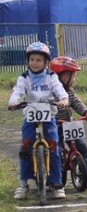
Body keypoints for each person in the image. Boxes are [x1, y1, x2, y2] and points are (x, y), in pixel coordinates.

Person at [9, 42, 69, 200]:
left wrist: (63, 98)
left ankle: (56, 183)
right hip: (30, 114)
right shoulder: (24, 77)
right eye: (32, 59)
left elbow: (58, 88)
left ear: (46, 62)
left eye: (39, 60)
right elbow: (18, 90)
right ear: (28, 60)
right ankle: (24, 184)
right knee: (26, 146)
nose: (35, 63)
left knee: (54, 146)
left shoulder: (51, 76)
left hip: (48, 114)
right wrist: (14, 101)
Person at [49, 56, 87, 188]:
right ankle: (54, 178)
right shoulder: (49, 90)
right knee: (55, 150)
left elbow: (76, 102)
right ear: (64, 76)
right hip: (54, 125)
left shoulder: (69, 91)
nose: (74, 79)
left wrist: (86, 112)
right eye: (73, 76)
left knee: (82, 147)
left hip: (69, 124)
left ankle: (84, 175)